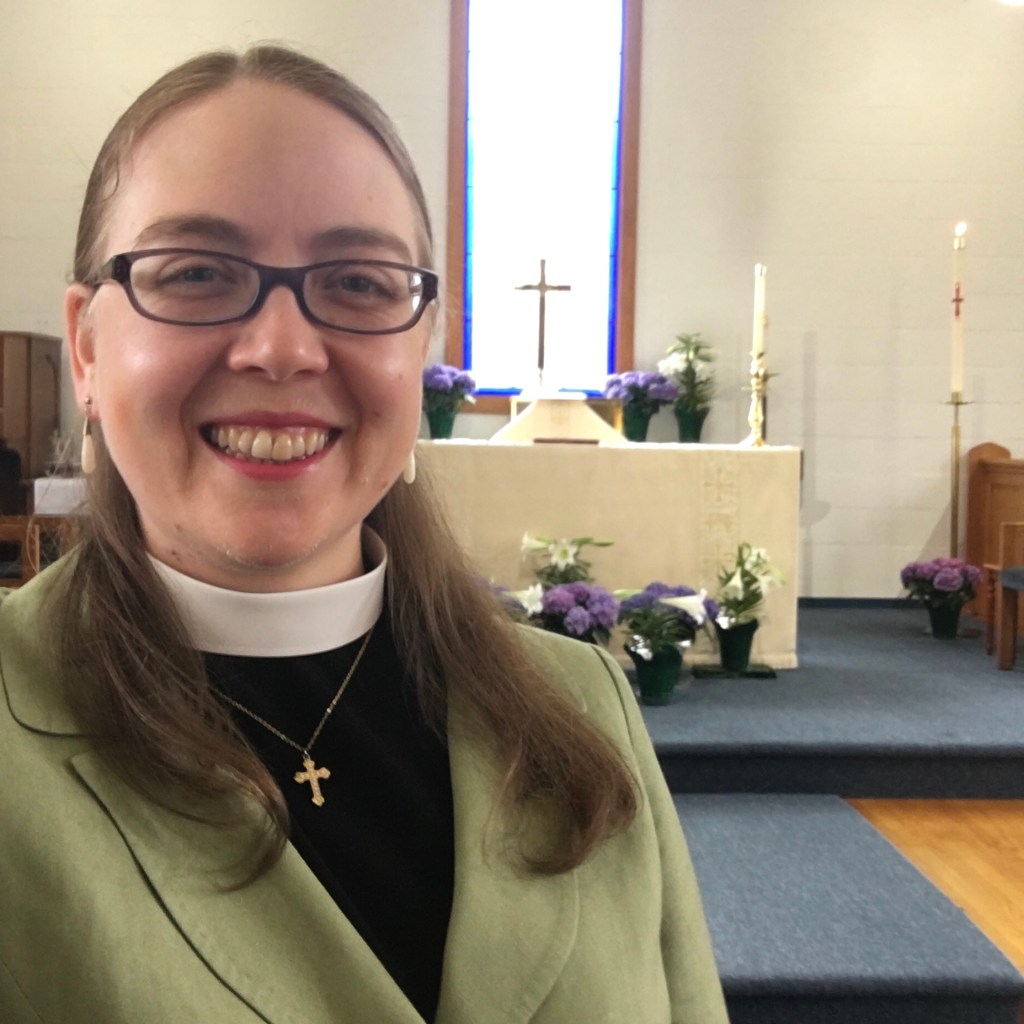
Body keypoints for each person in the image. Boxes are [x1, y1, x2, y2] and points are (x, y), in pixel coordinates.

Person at [0, 46, 729, 1024]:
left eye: (357, 283)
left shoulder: (583, 704)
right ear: (88, 347)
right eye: (199, 272)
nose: (283, 347)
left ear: (417, 346)